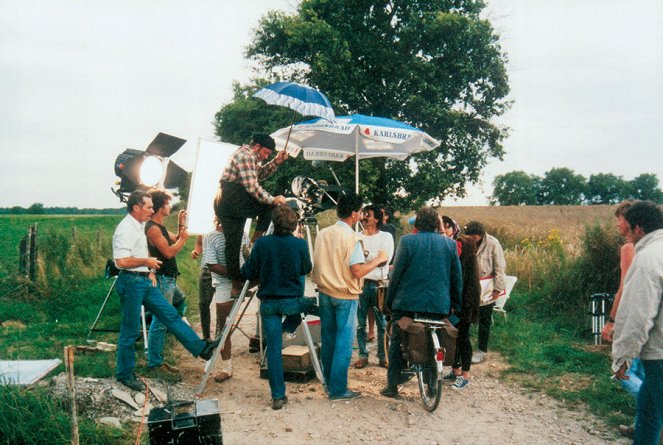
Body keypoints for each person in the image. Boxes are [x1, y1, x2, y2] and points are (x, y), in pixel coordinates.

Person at [112, 190, 219, 391]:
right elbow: (121, 261)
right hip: (131, 283)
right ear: (136, 208)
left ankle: (201, 348)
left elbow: (143, 251)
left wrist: (150, 270)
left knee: (170, 315)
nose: (152, 210)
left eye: (153, 207)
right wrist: (146, 262)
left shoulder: (140, 225)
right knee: (131, 330)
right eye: (149, 207)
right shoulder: (125, 229)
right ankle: (125, 374)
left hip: (144, 281)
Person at [312, 193, 389, 400]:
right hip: (345, 295)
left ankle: (329, 383)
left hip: (325, 292)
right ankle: (338, 389)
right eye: (361, 211)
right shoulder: (353, 238)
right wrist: (377, 260)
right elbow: (357, 272)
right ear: (354, 214)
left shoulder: (323, 233)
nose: (362, 215)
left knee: (328, 339)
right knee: (344, 343)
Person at [380, 207, 462, 398]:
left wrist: (390, 303)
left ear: (416, 224)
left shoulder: (408, 241)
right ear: (437, 224)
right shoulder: (449, 245)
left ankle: (392, 385)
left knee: (397, 340)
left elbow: (397, 274)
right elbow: (456, 278)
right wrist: (454, 304)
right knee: (437, 339)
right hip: (438, 305)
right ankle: (432, 383)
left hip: (408, 304)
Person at [241, 205, 315, 410]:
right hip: (292, 302)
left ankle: (278, 395)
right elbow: (307, 268)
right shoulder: (299, 244)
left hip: (269, 303)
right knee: (312, 305)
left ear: (274, 222)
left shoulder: (263, 243)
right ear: (293, 224)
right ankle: (288, 328)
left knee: (273, 348)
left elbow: (248, 272)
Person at [612, 200, 663, 445]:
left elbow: (639, 315)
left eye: (626, 224)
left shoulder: (647, 259)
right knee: (648, 414)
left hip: (659, 353)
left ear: (638, 228)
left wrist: (623, 357)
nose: (621, 227)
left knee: (653, 413)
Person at [216, 133, 289, 296]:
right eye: (265, 153)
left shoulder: (251, 156)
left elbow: (259, 174)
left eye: (268, 155)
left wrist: (276, 161)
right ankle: (254, 244)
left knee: (233, 244)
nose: (265, 157)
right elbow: (253, 188)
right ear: (257, 146)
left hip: (229, 201)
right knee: (268, 207)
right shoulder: (245, 156)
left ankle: (236, 283)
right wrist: (273, 199)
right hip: (231, 199)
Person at [599, 201, 642, 438]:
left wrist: (612, 320)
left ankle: (654, 405)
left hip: (634, 318)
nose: (616, 223)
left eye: (618, 218)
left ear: (628, 221)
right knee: (644, 372)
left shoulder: (629, 248)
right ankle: (642, 425)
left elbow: (623, 287)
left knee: (621, 371)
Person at [144, 190, 190, 373]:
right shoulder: (153, 228)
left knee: (179, 301)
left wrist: (181, 225)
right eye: (167, 203)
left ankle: (172, 328)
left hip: (169, 279)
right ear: (159, 206)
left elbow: (176, 238)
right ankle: (155, 362)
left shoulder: (159, 226)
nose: (169, 207)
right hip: (163, 280)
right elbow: (169, 252)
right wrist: (184, 240)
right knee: (160, 321)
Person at [202, 216, 249, 383]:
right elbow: (211, 264)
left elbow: (245, 255)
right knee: (224, 327)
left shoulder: (242, 233)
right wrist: (234, 275)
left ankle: (223, 364)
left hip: (242, 282)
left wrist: (244, 276)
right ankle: (226, 367)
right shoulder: (211, 236)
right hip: (223, 284)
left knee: (226, 326)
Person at [354, 205, 394, 369]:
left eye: (367, 215)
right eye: (362, 213)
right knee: (360, 323)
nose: (364, 217)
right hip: (361, 284)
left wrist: (365, 254)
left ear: (376, 219)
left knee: (382, 323)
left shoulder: (386, 237)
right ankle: (363, 355)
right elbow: (355, 261)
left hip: (379, 285)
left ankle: (383, 356)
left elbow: (385, 259)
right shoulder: (357, 236)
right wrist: (374, 257)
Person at [463, 221, 506, 364]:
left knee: (484, 320)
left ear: (481, 235)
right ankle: (465, 349)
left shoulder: (493, 244)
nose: (472, 240)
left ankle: (482, 350)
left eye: (474, 238)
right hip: (470, 286)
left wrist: (498, 289)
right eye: (470, 237)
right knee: (466, 318)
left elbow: (500, 267)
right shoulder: (465, 242)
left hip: (487, 286)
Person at [442, 234, 481, 389]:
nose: (456, 249)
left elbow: (472, 290)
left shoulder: (470, 262)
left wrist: (466, 311)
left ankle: (465, 374)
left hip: (466, 309)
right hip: (456, 308)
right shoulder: (457, 261)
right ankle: (455, 370)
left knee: (463, 340)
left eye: (459, 247)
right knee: (453, 340)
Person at [191, 235, 214, 340]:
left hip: (223, 270)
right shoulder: (205, 222)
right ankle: (206, 338)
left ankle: (221, 337)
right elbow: (200, 242)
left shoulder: (228, 220)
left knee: (222, 305)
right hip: (206, 270)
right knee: (203, 304)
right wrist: (196, 251)